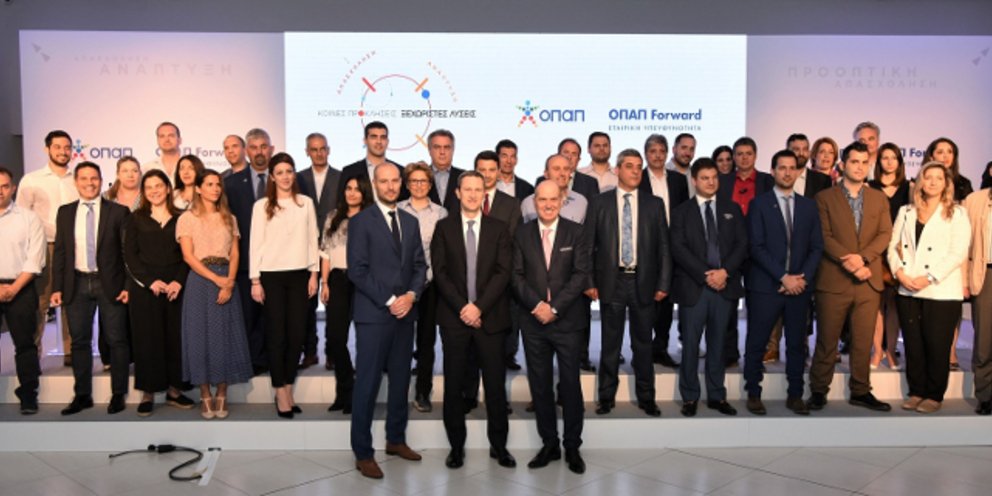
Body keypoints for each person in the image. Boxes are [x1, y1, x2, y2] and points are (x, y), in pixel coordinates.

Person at [431, 170, 515, 469]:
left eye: (478, 189)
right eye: (467, 189)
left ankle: (499, 447)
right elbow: (440, 272)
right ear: (458, 193)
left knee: (495, 386)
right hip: (454, 320)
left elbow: (503, 273)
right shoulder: (443, 228)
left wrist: (478, 307)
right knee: (454, 386)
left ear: (484, 194)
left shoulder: (499, 228)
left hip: (490, 319)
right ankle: (456, 448)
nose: (472, 194)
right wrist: (464, 308)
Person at [348, 162, 426, 479]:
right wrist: (392, 300)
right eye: (385, 181)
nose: (391, 186)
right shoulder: (361, 222)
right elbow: (357, 271)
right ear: (374, 184)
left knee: (400, 381)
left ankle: (396, 439)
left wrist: (411, 295)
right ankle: (363, 453)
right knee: (367, 385)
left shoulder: (410, 221)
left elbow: (420, 265)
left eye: (395, 181)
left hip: (405, 315)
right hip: (374, 315)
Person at [585, 149, 671, 417]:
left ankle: (647, 398)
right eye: (629, 166)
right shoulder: (599, 203)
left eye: (638, 166)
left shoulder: (654, 204)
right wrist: (589, 281)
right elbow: (588, 246)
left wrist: (663, 283)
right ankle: (606, 397)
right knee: (610, 344)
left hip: (643, 281)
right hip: (612, 282)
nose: (635, 171)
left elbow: (664, 248)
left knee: (643, 344)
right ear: (618, 170)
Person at [512, 179, 591, 474]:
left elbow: (581, 275)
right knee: (540, 386)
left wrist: (554, 308)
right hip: (533, 322)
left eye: (553, 199)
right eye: (542, 200)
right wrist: (538, 306)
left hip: (567, 321)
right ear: (534, 202)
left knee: (570, 385)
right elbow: (515, 275)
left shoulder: (577, 232)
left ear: (561, 201)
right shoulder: (521, 233)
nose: (547, 205)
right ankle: (549, 444)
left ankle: (572, 446)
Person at [808, 142, 893, 412]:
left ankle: (860, 390)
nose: (859, 167)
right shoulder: (824, 198)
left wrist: (864, 259)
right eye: (854, 161)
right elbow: (824, 236)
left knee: (863, 341)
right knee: (827, 340)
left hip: (868, 280)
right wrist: (852, 263)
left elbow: (885, 234)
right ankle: (818, 390)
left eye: (864, 162)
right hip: (834, 280)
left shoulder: (879, 198)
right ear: (843, 165)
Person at [743, 150, 823, 416]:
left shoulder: (809, 206)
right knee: (757, 342)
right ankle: (753, 393)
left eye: (792, 168)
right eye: (782, 168)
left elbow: (817, 247)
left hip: (799, 287)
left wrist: (801, 278)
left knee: (796, 344)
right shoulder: (759, 204)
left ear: (798, 172)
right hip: (766, 286)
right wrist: (783, 277)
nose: (787, 172)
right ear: (773, 171)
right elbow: (756, 246)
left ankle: (795, 394)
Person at [888, 161, 970, 414]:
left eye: (938, 178)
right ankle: (916, 391)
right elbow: (893, 246)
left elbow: (958, 252)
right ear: (920, 182)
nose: (933, 182)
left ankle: (934, 394)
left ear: (946, 184)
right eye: (928, 177)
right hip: (908, 287)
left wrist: (929, 277)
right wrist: (900, 273)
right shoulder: (906, 211)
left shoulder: (957, 213)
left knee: (937, 345)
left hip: (940, 290)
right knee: (913, 345)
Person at [50, 162, 131, 415]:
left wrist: (127, 285)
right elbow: (60, 253)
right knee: (79, 342)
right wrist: (57, 287)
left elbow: (127, 253)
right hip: (76, 284)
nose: (89, 183)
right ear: (76, 182)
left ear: (101, 180)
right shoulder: (65, 212)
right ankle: (82, 395)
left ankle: (118, 394)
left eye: (94, 178)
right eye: (84, 178)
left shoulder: (118, 212)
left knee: (117, 340)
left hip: (110, 284)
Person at [670, 158, 747, 417]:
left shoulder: (732, 209)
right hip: (695, 287)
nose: (711, 182)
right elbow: (678, 248)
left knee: (718, 344)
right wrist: (706, 275)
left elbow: (742, 244)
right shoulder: (681, 212)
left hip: (724, 286)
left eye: (714, 177)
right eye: (704, 178)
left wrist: (725, 272)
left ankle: (716, 395)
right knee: (691, 345)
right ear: (694, 180)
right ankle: (690, 396)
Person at [178, 170, 253, 419]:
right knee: (199, 338)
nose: (215, 188)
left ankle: (222, 392)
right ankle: (204, 394)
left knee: (225, 337)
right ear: (198, 188)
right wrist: (216, 279)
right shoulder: (187, 218)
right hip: (200, 280)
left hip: (226, 278)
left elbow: (235, 253)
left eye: (217, 184)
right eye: (209, 184)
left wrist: (229, 283)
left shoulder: (230, 218)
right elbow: (188, 256)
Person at [249, 152, 319, 418]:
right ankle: (280, 391)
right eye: (279, 172)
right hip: (271, 276)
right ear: (272, 177)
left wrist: (314, 274)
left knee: (296, 335)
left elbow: (313, 239)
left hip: (300, 275)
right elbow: (255, 244)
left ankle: (288, 387)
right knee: (276, 336)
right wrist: (255, 280)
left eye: (289, 171)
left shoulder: (305, 203)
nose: (285, 176)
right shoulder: (261, 206)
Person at [123, 169, 192, 416]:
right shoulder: (135, 218)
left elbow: (189, 254)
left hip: (175, 288)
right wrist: (150, 281)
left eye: (159, 186)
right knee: (147, 340)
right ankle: (148, 393)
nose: (154, 191)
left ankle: (174, 391)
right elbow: (130, 256)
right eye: (149, 187)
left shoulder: (182, 217)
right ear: (143, 192)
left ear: (168, 188)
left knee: (176, 338)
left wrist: (178, 282)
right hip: (146, 289)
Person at [17, 130, 78, 366]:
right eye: (57, 147)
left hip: (74, 248)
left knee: (71, 299)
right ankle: (33, 354)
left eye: (67, 147)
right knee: (40, 302)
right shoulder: (32, 180)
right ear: (47, 149)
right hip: (44, 247)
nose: (63, 152)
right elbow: (22, 217)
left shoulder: (78, 179)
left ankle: (71, 352)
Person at [321, 176, 374, 412]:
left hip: (363, 281)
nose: (352, 193)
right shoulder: (333, 217)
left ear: (364, 193)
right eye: (348, 188)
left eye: (357, 189)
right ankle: (345, 390)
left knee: (365, 340)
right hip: (338, 280)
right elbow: (325, 252)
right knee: (335, 337)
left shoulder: (372, 218)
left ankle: (359, 396)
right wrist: (324, 283)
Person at [719, 137, 774, 368]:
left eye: (748, 153)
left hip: (758, 253)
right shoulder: (722, 181)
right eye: (739, 154)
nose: (744, 158)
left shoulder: (768, 181)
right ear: (734, 157)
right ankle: (729, 354)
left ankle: (755, 355)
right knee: (728, 307)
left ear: (755, 155)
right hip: (729, 252)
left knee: (758, 308)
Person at [398, 162, 448, 413]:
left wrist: (427, 279)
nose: (419, 185)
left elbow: (442, 252)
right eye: (414, 181)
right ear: (407, 184)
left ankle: (422, 392)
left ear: (430, 184)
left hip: (429, 285)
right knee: (400, 340)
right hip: (400, 286)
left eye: (423, 181)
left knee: (426, 341)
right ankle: (398, 392)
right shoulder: (396, 209)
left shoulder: (440, 213)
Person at [225, 128, 273, 374]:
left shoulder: (285, 178)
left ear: (271, 149)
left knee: (275, 316)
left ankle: (275, 359)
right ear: (246, 151)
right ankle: (255, 361)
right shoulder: (231, 183)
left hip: (279, 262)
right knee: (249, 315)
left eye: (263, 146)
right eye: (254, 148)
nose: (259, 152)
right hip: (245, 261)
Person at [640, 134, 690, 368]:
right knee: (645, 304)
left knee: (667, 305)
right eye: (653, 151)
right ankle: (643, 351)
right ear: (646, 154)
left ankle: (660, 348)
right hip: (645, 249)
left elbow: (684, 214)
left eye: (661, 151)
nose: (658, 156)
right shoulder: (638, 179)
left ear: (667, 153)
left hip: (672, 249)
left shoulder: (678, 180)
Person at [923, 137, 973, 370]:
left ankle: (951, 350)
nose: (945, 156)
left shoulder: (963, 184)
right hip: (926, 254)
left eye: (949, 151)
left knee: (953, 303)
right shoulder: (920, 182)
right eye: (940, 151)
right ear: (931, 155)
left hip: (955, 251)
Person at [0, 166, 46, 414]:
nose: (0, 191)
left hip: (21, 287)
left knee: (26, 344)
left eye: (5, 186)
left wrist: (14, 287)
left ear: (13, 188)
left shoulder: (28, 218)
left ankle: (28, 394)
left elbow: (35, 258)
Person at [297, 132, 341, 369]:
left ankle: (333, 354)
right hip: (304, 247)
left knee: (333, 304)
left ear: (329, 150)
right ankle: (310, 352)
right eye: (314, 149)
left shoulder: (341, 177)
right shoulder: (297, 178)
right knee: (306, 305)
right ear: (307, 152)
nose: (319, 153)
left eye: (322, 148)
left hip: (333, 247)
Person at [867, 143, 912, 369]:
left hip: (900, 252)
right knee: (876, 304)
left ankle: (891, 350)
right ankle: (877, 351)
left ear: (900, 162)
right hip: (875, 250)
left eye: (894, 157)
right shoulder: (869, 187)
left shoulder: (909, 187)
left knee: (894, 305)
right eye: (885, 157)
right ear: (879, 161)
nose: (889, 162)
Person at [964, 186, 992, 415]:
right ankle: (985, 395)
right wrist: (964, 278)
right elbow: (964, 244)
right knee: (984, 339)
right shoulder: (974, 200)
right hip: (985, 274)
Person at [338, 121, 408, 202]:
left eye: (383, 137)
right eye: (374, 137)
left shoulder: (401, 171)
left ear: (387, 141)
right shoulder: (350, 171)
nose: (379, 141)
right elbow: (341, 203)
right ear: (365, 140)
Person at [536, 138, 599, 204]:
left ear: (578, 159)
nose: (569, 157)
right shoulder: (542, 181)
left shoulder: (590, 183)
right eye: (566, 152)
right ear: (558, 155)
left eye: (574, 154)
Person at [426, 129, 464, 210]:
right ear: (429, 150)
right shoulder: (420, 177)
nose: (442, 152)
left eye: (446, 147)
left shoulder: (464, 177)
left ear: (453, 150)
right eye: (437, 147)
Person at [788, 134, 832, 198]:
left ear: (809, 152)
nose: (801, 153)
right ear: (787, 152)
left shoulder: (823, 180)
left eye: (805, 149)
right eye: (796, 149)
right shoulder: (775, 179)